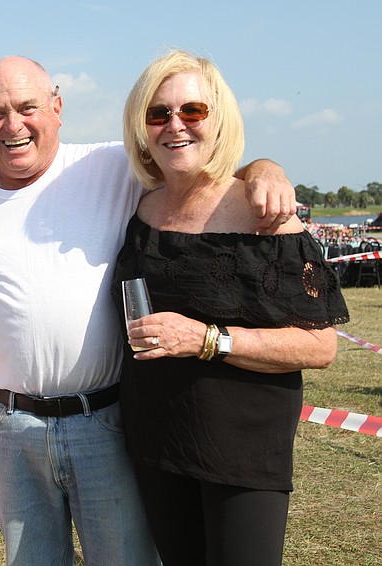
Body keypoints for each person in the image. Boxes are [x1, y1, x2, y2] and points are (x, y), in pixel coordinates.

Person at [0, 55, 297, 565]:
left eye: (27, 107)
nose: (13, 126)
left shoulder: (112, 168)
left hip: (105, 422)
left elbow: (198, 166)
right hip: (8, 430)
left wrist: (264, 169)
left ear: (57, 107)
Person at [111, 50, 349, 566]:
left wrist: (206, 339)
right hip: (155, 442)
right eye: (158, 113)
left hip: (241, 451)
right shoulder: (139, 205)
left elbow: (319, 344)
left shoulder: (265, 215)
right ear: (141, 127)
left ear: (220, 120)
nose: (176, 125)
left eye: (193, 111)